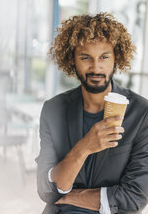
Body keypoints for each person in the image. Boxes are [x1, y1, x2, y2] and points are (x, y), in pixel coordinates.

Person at [36, 13, 148, 214]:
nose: (96, 67)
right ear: (72, 60)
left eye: (104, 57)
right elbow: (46, 190)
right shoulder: (53, 110)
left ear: (117, 58)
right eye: (85, 57)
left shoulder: (141, 113)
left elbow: (135, 196)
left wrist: (71, 196)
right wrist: (83, 148)